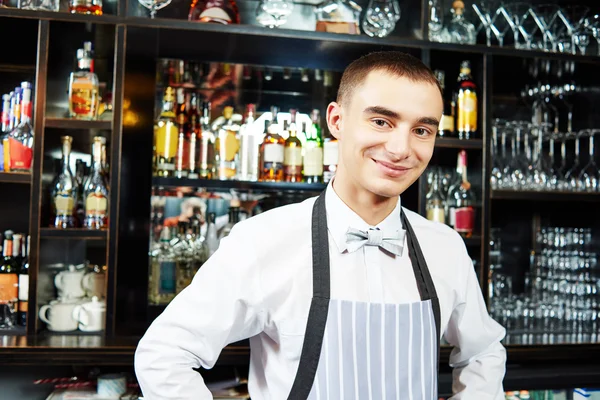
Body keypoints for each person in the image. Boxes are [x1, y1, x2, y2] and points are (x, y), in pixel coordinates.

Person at [135, 51, 507, 399]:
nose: (400, 148)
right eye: (381, 121)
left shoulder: (445, 246)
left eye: (422, 130)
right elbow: (163, 353)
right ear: (337, 120)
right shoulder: (263, 240)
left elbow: (483, 351)